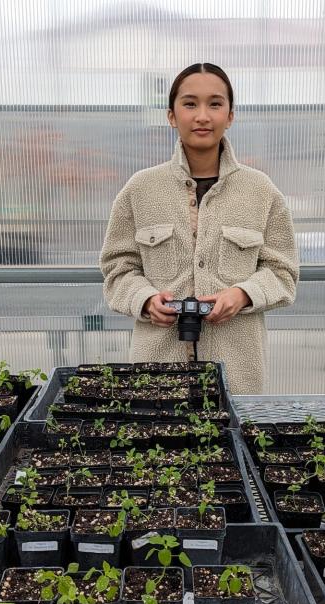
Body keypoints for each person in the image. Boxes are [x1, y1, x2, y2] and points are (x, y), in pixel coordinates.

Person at [99, 63, 299, 394]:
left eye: (215, 104)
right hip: (157, 372)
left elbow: (283, 273)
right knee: (159, 443)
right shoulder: (140, 189)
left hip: (237, 374)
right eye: (190, 104)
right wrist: (146, 300)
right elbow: (118, 270)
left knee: (232, 441)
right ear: (172, 115)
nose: (202, 116)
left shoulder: (261, 191)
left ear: (230, 116)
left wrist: (242, 294)